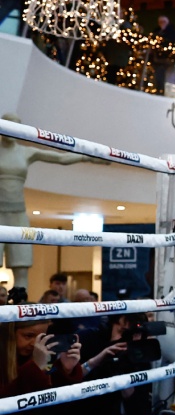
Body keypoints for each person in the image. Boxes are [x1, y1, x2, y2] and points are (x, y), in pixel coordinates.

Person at [1, 114, 108, 290]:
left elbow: (60, 158)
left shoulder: (26, 152)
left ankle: (20, 307)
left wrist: (87, 156)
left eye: (16, 126)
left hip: (18, 214)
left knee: (21, 265)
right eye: (8, 125)